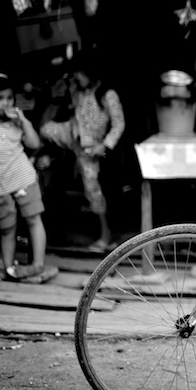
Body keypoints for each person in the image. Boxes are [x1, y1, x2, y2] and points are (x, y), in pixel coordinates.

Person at [0, 73, 57, 283]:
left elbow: (35, 144)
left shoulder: (17, 123)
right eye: (0, 98)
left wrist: (24, 120)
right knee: (7, 228)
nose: (6, 103)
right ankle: (8, 268)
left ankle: (37, 265)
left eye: (9, 98)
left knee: (34, 220)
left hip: (23, 178)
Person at [39, 52, 125, 252]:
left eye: (79, 72)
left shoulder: (107, 94)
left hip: (93, 148)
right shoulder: (79, 91)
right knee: (44, 129)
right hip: (74, 137)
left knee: (93, 189)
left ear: (90, 72)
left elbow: (119, 123)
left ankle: (106, 237)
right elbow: (74, 114)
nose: (76, 76)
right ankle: (46, 156)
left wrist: (104, 146)